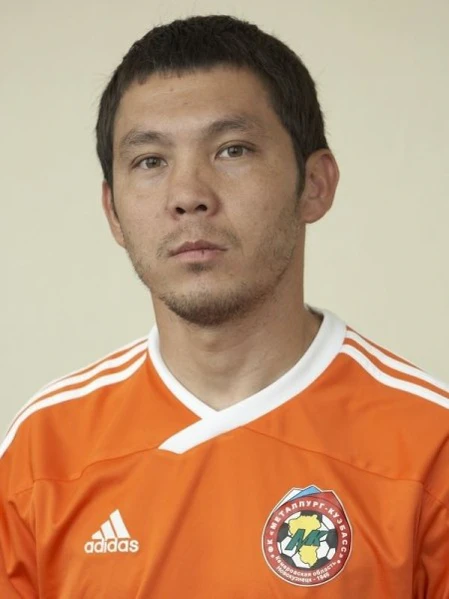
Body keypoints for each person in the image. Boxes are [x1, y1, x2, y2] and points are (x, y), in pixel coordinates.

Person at [1, 14, 448, 598]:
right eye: (150, 161)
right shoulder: (42, 452)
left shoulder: (430, 446)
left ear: (315, 184)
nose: (188, 195)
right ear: (113, 212)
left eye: (232, 150)